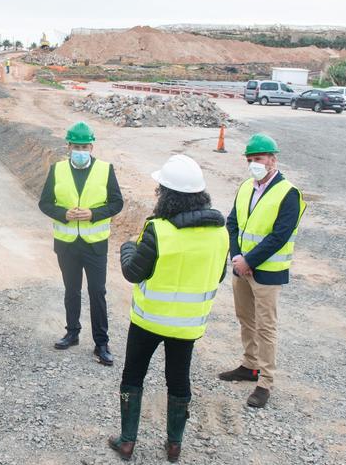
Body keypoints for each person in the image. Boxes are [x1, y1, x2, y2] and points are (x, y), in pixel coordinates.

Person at [109, 155, 229, 462]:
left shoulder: (158, 230)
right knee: (178, 381)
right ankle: (174, 446)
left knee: (133, 376)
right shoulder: (220, 233)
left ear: (169, 195)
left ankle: (127, 442)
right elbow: (218, 275)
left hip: (148, 322)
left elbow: (133, 272)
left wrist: (127, 248)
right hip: (187, 326)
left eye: (160, 189)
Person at [219, 133, 306, 408]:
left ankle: (265, 381)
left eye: (258, 159)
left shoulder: (288, 193)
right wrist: (236, 256)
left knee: (266, 327)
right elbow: (232, 223)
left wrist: (249, 261)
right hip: (241, 267)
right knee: (245, 317)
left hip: (266, 272)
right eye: (250, 159)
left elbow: (279, 235)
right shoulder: (246, 187)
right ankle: (249, 365)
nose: (254, 163)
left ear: (272, 159)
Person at [38, 121, 123, 365]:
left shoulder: (106, 170)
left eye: (85, 146)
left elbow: (117, 203)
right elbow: (45, 203)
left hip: (95, 244)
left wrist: (93, 214)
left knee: (97, 292)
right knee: (71, 290)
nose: (80, 150)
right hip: (67, 244)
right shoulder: (57, 170)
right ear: (68, 146)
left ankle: (101, 343)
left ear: (92, 146)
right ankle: (72, 332)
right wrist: (63, 213)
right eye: (76, 146)